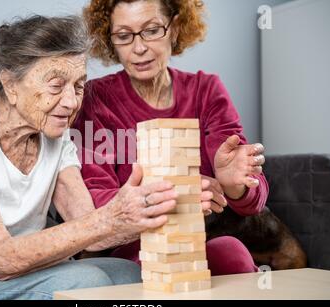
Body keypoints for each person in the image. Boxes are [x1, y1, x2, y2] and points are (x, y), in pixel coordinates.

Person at [0, 15, 178, 300]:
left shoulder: (55, 131)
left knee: (127, 275)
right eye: (56, 85)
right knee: (86, 282)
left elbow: (92, 229)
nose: (71, 102)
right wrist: (110, 218)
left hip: (8, 266)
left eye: (79, 86)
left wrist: (157, 209)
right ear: (10, 84)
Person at [73, 0, 269, 275]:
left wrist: (235, 184)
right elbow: (95, 200)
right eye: (124, 36)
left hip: (201, 236)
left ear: (175, 28)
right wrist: (180, 192)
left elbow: (252, 193)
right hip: (136, 244)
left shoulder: (206, 89)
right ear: (110, 40)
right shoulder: (96, 99)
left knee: (231, 253)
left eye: (152, 30)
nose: (139, 48)